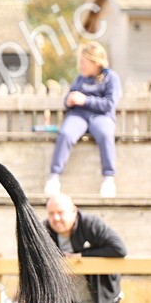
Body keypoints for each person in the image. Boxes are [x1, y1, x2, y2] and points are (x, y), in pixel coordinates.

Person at [44, 42, 122, 199]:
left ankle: (108, 178)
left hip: (101, 116)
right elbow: (68, 98)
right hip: (79, 116)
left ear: (95, 62)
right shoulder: (80, 78)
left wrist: (85, 100)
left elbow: (109, 104)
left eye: (83, 63)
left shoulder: (111, 78)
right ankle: (54, 177)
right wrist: (70, 101)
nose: (80, 66)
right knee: (65, 134)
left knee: (105, 135)